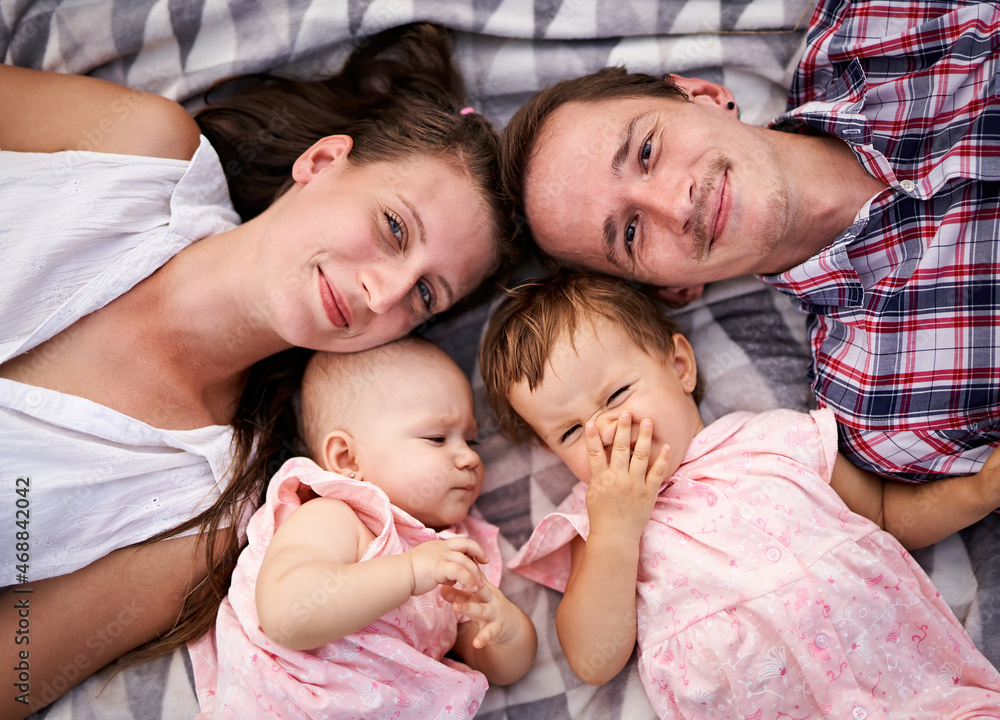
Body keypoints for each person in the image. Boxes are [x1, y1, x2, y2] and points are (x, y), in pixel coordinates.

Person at [0, 23, 516, 717]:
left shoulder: (202, 514)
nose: (385, 294)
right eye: (395, 229)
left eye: (425, 296)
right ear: (325, 160)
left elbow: (15, 668)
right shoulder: (141, 151)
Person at [499, 0, 1000, 486]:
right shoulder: (887, 413)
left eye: (647, 150)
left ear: (705, 95)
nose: (676, 205)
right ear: (672, 290)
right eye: (631, 233)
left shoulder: (881, 20)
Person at [479, 271, 1000, 719]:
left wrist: (976, 493)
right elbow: (594, 661)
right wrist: (617, 530)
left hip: (908, 683)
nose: (605, 432)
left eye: (616, 395)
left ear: (680, 367)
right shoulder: (595, 525)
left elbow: (889, 516)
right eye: (571, 433)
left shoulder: (772, 438)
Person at [189, 337, 537, 718]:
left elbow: (492, 666)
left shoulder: (452, 552)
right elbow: (286, 616)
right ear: (347, 457)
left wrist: (508, 631)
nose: (469, 456)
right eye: (437, 438)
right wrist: (407, 571)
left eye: (471, 440)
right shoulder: (335, 516)